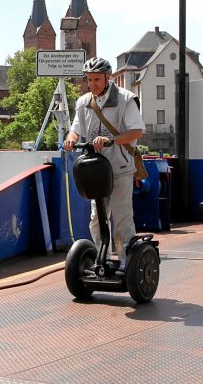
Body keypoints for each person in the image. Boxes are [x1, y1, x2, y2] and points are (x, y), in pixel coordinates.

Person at [63, 57, 145, 270]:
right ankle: (104, 260)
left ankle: (127, 264)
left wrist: (112, 140)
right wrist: (71, 139)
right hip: (96, 171)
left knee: (121, 218)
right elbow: (76, 128)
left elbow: (137, 131)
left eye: (97, 79)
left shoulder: (126, 99)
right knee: (96, 219)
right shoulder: (83, 102)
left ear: (108, 78)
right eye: (89, 80)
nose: (92, 84)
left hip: (120, 168)